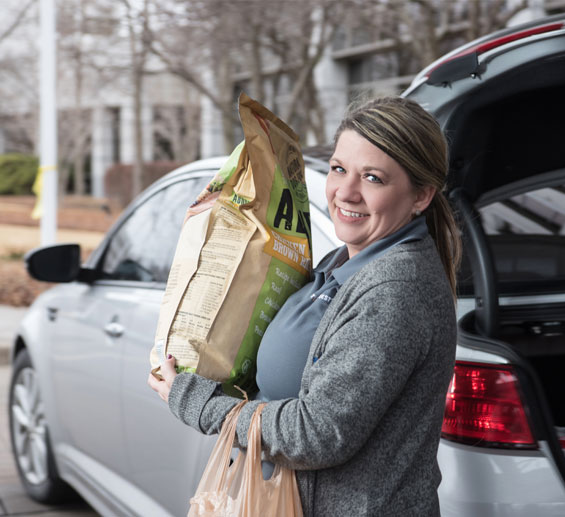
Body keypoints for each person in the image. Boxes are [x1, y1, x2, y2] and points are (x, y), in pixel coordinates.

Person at [148, 96, 461, 517]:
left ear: (421, 195)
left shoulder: (395, 289)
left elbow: (318, 433)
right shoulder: (344, 263)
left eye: (372, 178)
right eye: (338, 169)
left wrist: (200, 404)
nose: (345, 192)